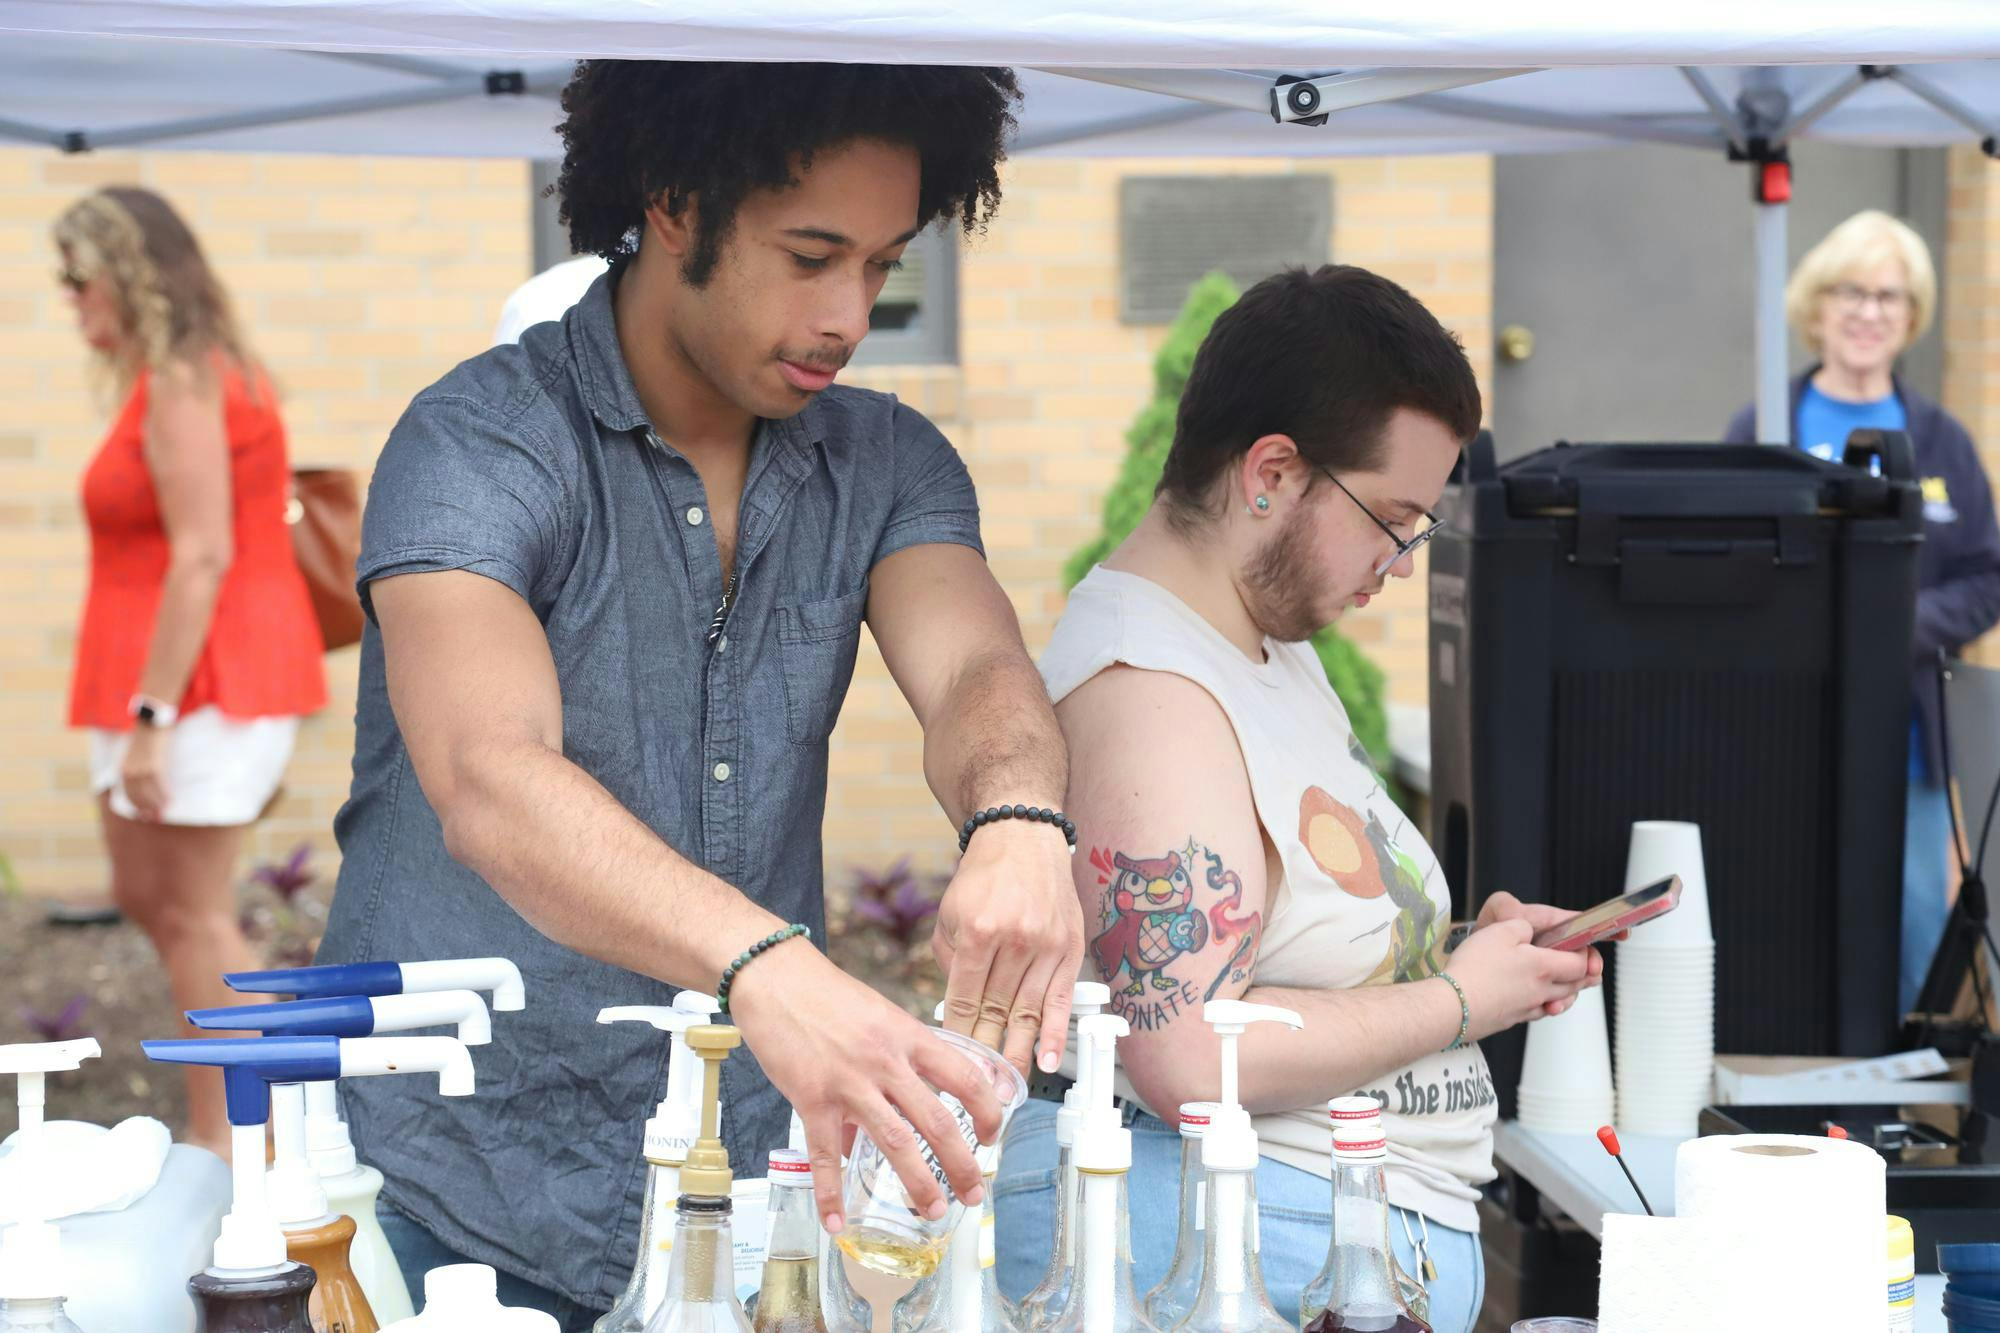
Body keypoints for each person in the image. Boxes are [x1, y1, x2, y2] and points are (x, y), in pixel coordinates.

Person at [314, 61, 1084, 1328]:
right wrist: (767, 967)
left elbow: (974, 669)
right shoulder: (478, 440)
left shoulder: (884, 459)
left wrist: (1016, 818)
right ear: (673, 203)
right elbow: (486, 778)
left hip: (745, 1201)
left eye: (882, 267)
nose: (848, 315)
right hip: (451, 1192)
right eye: (810, 255)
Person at [993, 266, 1601, 1331]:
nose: (1401, 565)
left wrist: (1464, 950)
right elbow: (1182, 1051)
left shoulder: (1259, 646)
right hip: (1241, 1250)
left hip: (1309, 1239)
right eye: (1393, 519)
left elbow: (1276, 944)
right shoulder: (1149, 691)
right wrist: (1458, 1000)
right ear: (1270, 471)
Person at [53, 187, 328, 1155]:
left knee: (196, 912)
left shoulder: (185, 379)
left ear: (127, 277)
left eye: (77, 277)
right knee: (157, 902)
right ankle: (229, 1130)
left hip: (198, 680)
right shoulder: (170, 378)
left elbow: (204, 553)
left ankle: (237, 1145)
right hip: (156, 675)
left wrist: (152, 714)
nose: (68, 296)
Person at [1724, 210, 2000, 1016]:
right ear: (1817, 305)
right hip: (1783, 733)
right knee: (1791, 914)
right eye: (1852, 291)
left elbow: (1987, 574)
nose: (1869, 311)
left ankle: (1906, 1085)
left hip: (1909, 744)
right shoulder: (1766, 429)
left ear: (1911, 314)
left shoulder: (1941, 440)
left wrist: (1897, 626)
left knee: (1917, 922)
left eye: (1889, 295)